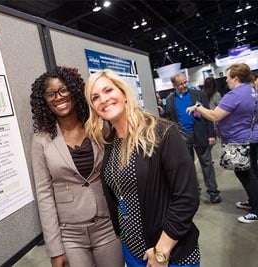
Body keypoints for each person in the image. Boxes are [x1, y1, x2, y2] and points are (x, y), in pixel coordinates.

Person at [85, 69, 200, 267]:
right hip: (132, 250)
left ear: (123, 94)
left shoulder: (161, 133)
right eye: (95, 97)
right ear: (94, 108)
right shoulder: (111, 143)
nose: (103, 99)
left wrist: (162, 250)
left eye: (108, 90)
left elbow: (187, 197)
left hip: (169, 253)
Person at [30, 66, 124, 267]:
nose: (58, 97)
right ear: (44, 100)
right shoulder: (41, 141)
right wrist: (55, 249)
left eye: (63, 90)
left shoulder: (99, 126)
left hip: (106, 225)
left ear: (73, 90)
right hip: (69, 234)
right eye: (51, 94)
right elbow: (44, 194)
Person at [186, 63, 258, 223]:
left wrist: (198, 108)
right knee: (252, 170)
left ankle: (256, 208)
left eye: (228, 77)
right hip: (251, 136)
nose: (226, 80)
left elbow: (214, 115)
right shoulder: (252, 90)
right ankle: (253, 200)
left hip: (239, 139)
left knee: (245, 173)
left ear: (236, 78)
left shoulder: (235, 95)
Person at [165, 73, 221, 204]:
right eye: (181, 84)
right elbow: (170, 118)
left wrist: (211, 135)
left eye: (185, 82)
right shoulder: (170, 99)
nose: (185, 85)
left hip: (200, 134)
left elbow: (209, 115)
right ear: (174, 85)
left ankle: (213, 192)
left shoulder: (198, 94)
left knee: (207, 164)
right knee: (188, 166)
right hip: (183, 137)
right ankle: (194, 190)